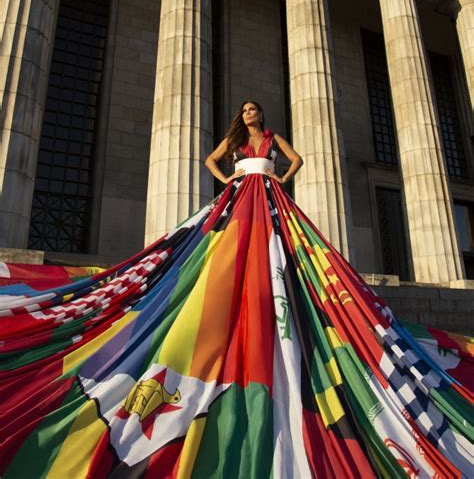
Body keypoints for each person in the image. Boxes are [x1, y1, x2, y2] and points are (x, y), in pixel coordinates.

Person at [0, 101, 472, 478]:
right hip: (242, 196)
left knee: (276, 247)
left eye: (253, 111)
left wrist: (278, 178)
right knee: (233, 245)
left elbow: (298, 159)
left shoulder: (270, 139)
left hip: (269, 197)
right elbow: (209, 159)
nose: (249, 116)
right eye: (245, 112)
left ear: (261, 117)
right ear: (240, 118)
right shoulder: (235, 143)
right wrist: (231, 177)